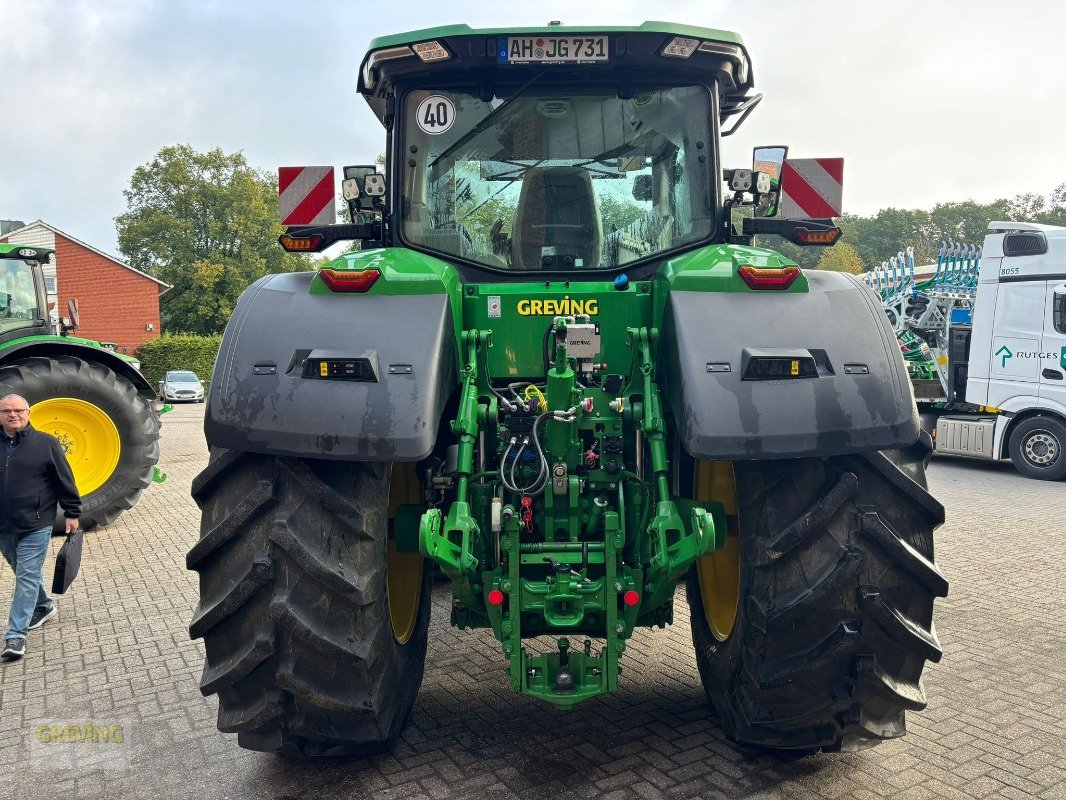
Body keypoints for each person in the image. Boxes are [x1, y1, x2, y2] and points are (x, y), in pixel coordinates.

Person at [0, 393, 80, 662]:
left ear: (28, 413)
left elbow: (64, 479)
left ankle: (15, 634)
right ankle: (44, 606)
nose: (13, 415)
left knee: (25, 574)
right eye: (7, 411)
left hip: (36, 522)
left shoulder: (46, 443)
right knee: (23, 572)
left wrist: (72, 512)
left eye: (18, 410)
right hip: (3, 525)